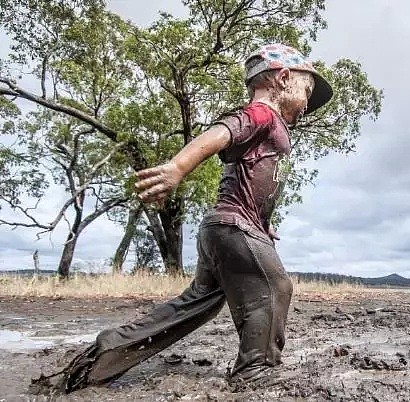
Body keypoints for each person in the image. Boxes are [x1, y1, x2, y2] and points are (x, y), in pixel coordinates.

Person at [51, 43, 333, 393]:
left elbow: (246, 178)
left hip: (226, 227)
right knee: (275, 288)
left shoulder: (270, 126)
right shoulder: (262, 113)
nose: (307, 103)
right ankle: (255, 370)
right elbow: (222, 132)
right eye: (306, 91)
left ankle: (107, 351)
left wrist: (263, 223)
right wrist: (177, 167)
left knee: (199, 302)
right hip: (234, 225)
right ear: (283, 78)